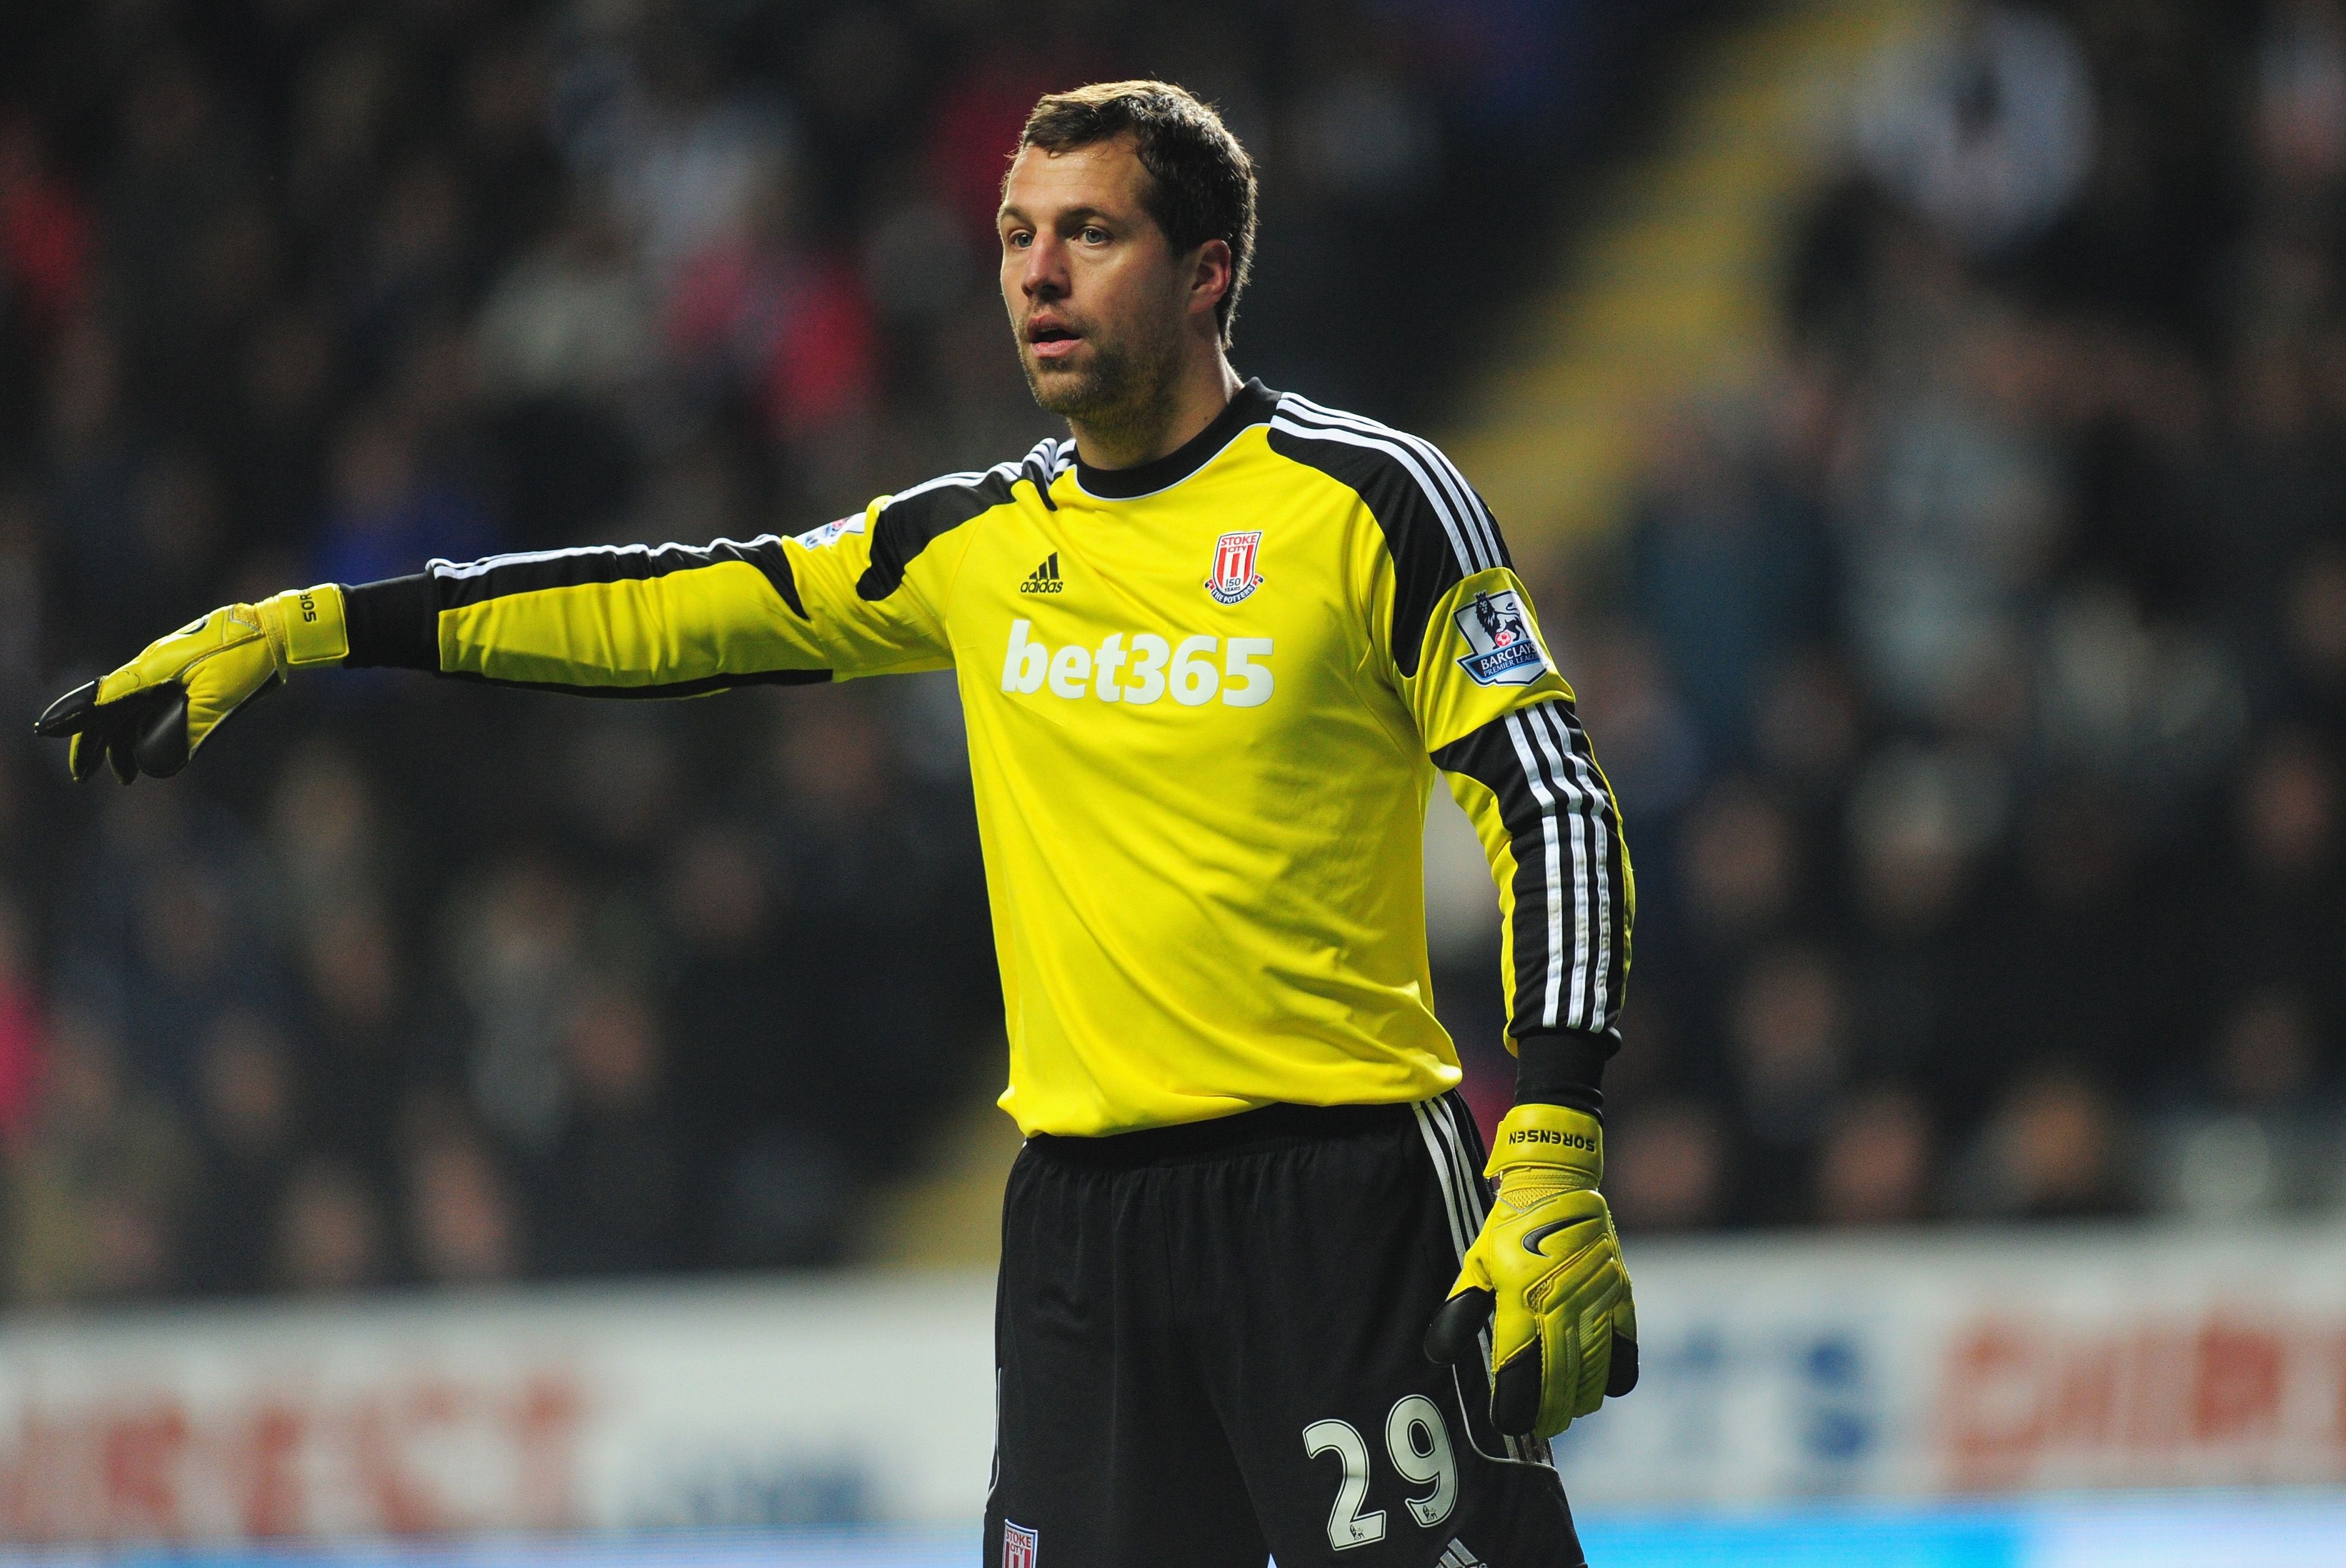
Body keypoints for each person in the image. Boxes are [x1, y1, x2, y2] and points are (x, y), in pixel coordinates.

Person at [39, 81, 1636, 1567]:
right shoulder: (973, 540)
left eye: (1090, 231)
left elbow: (1549, 797)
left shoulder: (1368, 500)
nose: (1038, 272)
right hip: (1081, 1231)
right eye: (1015, 234)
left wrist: (1552, 1133)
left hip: (1338, 1199)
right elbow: (661, 609)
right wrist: (319, 623)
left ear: (1207, 270)